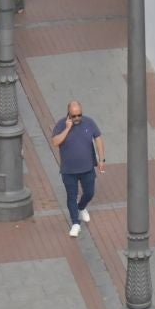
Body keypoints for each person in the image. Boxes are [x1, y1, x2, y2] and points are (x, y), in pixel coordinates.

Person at [50, 100, 104, 237]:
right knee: (71, 196)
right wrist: (67, 129)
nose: (77, 118)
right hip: (69, 170)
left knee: (90, 192)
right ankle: (75, 223)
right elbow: (55, 142)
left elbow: (98, 138)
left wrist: (101, 159)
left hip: (87, 168)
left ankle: (81, 207)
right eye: (74, 116)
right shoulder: (61, 125)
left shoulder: (89, 122)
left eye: (79, 115)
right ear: (69, 114)